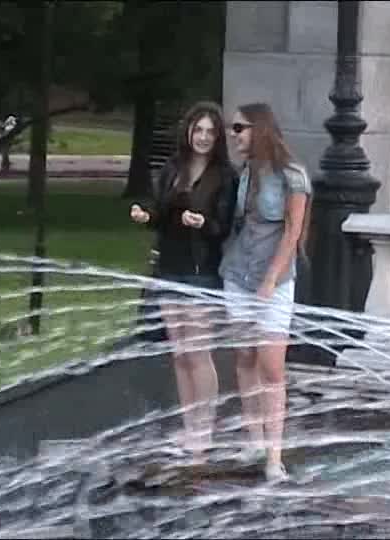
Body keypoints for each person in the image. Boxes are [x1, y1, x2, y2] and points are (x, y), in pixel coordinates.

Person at [130, 101, 238, 461]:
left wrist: (204, 224)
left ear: (218, 137)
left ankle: (205, 430)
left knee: (198, 352)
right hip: (169, 268)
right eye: (198, 130)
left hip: (201, 271)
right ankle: (190, 426)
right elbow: (161, 212)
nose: (203, 137)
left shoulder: (225, 176)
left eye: (210, 132)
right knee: (179, 353)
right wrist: (146, 215)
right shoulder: (173, 168)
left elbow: (225, 227)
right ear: (189, 132)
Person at [219, 102, 312, 481]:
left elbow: (292, 233)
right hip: (237, 276)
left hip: (274, 283)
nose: (234, 135)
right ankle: (253, 439)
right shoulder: (246, 172)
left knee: (272, 367)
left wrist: (271, 279)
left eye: (239, 128)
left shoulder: (293, 175)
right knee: (244, 357)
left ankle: (274, 457)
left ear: (259, 129)